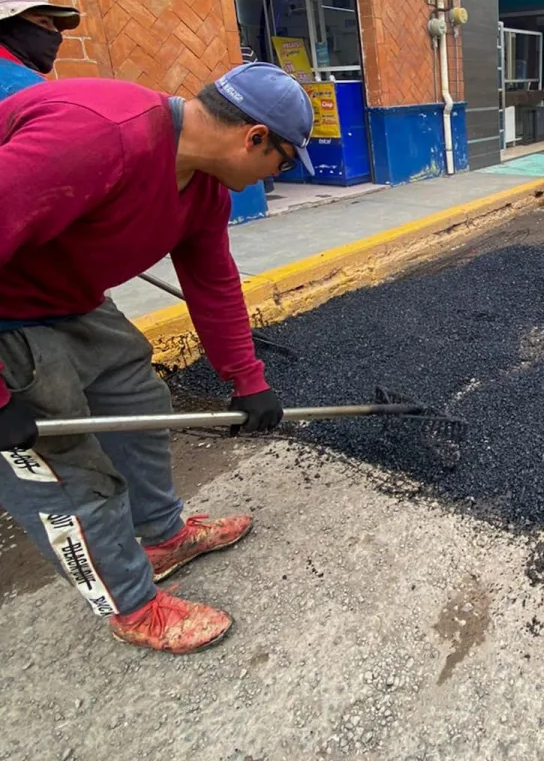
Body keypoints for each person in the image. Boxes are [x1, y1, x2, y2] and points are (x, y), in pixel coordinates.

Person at [0, 62, 315, 654]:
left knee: (141, 404)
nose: (276, 177)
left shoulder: (202, 189)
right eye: (283, 163)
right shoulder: (96, 134)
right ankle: (132, 606)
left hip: (71, 299)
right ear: (254, 137)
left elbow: (213, 279)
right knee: (70, 470)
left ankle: (162, 536)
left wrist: (247, 380)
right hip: (7, 316)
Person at [0, 0, 81, 99]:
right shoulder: (22, 89)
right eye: (43, 22)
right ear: (7, 24)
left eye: (56, 26)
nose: (56, 33)